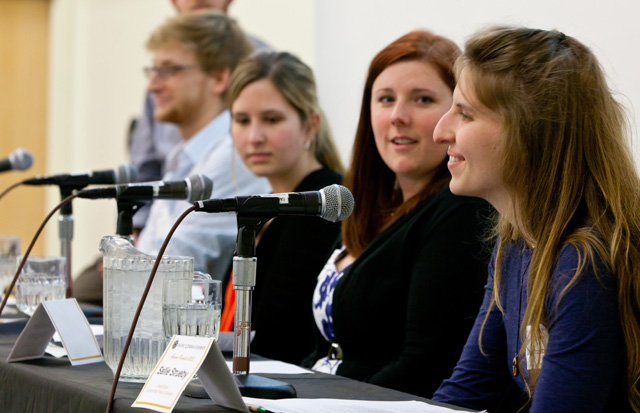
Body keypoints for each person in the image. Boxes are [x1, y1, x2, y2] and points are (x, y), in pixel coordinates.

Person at [432, 27, 640, 412]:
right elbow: (468, 391)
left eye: (464, 113)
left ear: (529, 133)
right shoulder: (514, 244)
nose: (440, 131)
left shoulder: (582, 263)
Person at [305, 30, 492, 397]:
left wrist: (325, 405)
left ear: (457, 115)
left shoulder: (460, 211)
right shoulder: (362, 206)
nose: (398, 116)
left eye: (422, 99)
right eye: (385, 99)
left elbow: (425, 365)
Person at [223, 51, 344, 364]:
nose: (254, 137)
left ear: (310, 125)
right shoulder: (266, 209)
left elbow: (279, 338)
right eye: (242, 120)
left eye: (272, 119)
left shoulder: (320, 208)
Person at [132, 11, 269, 279]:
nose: (152, 86)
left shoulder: (234, 155)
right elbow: (149, 255)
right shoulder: (184, 155)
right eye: (153, 70)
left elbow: (166, 271)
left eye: (168, 70)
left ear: (219, 78)